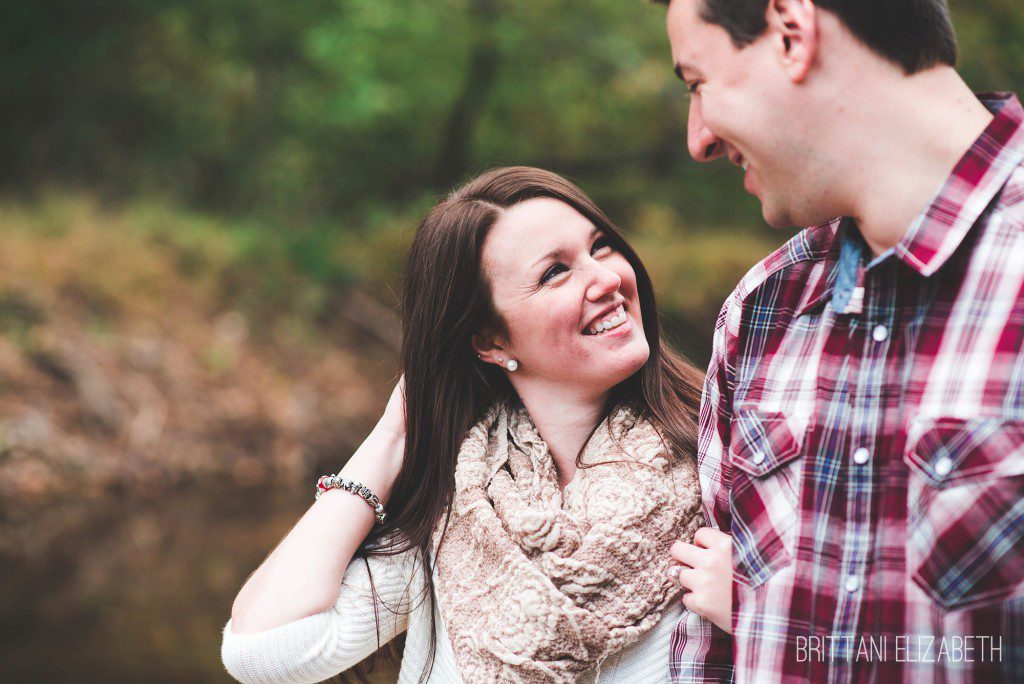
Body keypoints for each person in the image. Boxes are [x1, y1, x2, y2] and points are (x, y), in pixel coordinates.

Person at [220, 166, 730, 683]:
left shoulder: (726, 463)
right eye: (555, 272)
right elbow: (264, 651)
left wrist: (754, 613)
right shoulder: (464, 513)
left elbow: (813, 648)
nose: (607, 278)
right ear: (491, 342)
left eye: (600, 247)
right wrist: (393, 435)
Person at [654, 0, 1024, 681]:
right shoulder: (761, 312)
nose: (697, 139)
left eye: (697, 82)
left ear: (792, 31)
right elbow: (710, 659)